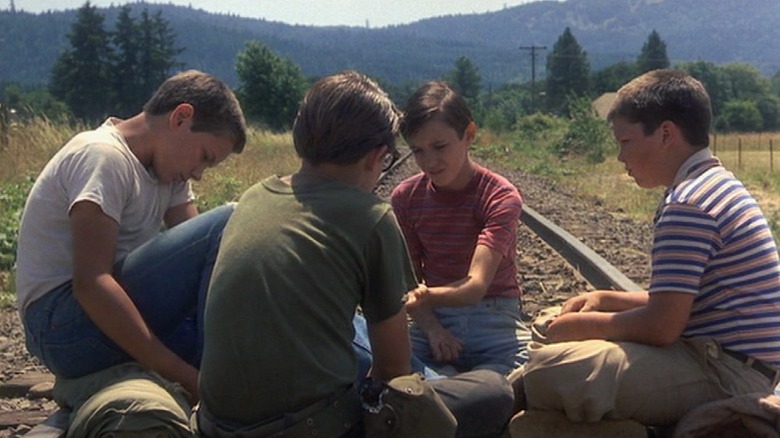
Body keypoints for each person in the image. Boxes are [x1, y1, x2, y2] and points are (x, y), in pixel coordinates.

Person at [195, 71, 513, 438]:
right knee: (493, 391)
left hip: (214, 425)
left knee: (358, 329)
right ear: (376, 157)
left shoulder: (254, 195)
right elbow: (394, 376)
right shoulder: (371, 218)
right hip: (313, 428)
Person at [509, 69, 780, 435]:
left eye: (626, 141)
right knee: (550, 329)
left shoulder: (690, 204)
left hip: (728, 372)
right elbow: (677, 302)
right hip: (717, 355)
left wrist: (589, 326)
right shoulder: (705, 186)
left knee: (550, 371)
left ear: (666, 134)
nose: (621, 156)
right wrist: (605, 299)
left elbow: (662, 326)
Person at [15, 69, 247, 434]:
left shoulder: (165, 173)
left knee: (248, 350)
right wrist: (187, 375)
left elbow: (202, 261)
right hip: (61, 326)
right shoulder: (103, 156)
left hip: (99, 321)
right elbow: (91, 283)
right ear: (181, 117)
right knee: (227, 221)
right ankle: (215, 407)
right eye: (204, 157)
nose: (199, 173)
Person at [390, 80, 530, 376]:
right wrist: (433, 329)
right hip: (435, 319)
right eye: (418, 151)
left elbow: (475, 286)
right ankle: (473, 388)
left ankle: (449, 387)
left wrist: (424, 296)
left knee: (537, 367)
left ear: (468, 135)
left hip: (494, 319)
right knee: (387, 359)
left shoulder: (499, 196)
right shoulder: (406, 198)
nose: (429, 162)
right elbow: (410, 278)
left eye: (440, 147)